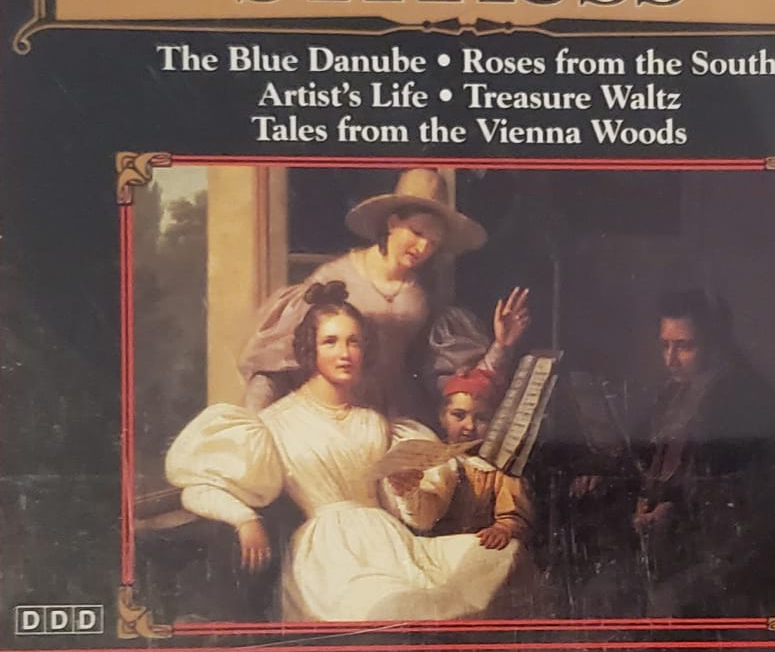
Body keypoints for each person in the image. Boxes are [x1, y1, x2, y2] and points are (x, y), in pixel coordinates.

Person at [165, 282, 522, 622]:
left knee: (495, 555)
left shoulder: (377, 422)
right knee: (390, 603)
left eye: (353, 342)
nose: (345, 353)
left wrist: (406, 489)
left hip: (391, 543)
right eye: (330, 342)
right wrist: (244, 519)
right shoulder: (274, 423)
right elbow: (199, 487)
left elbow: (421, 520)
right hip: (329, 556)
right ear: (311, 350)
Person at [568, 290, 775, 618]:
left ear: (716, 344)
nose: (670, 359)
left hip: (726, 551)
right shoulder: (676, 390)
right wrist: (602, 474)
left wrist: (672, 510)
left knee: (661, 606)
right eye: (665, 345)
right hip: (670, 540)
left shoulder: (742, 398)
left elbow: (742, 496)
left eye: (684, 347)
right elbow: (642, 458)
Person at [238, 167, 529, 421]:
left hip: (395, 414)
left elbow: (451, 375)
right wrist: (252, 424)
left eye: (433, 242)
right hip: (333, 412)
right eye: (417, 233)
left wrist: (500, 346)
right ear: (392, 224)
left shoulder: (423, 296)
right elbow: (275, 365)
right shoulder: (333, 278)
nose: (423, 247)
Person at [429, 367, 533, 550]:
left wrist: (503, 528)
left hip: (476, 546)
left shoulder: (499, 468)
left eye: (481, 418)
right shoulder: (429, 458)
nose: (469, 426)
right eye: (459, 415)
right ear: (442, 417)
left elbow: (513, 516)